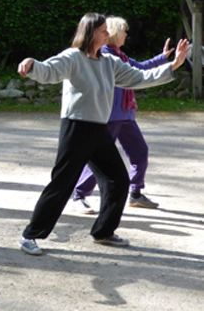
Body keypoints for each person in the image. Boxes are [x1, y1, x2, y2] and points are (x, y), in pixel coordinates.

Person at [16, 13, 189, 256]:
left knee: (117, 179)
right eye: (103, 31)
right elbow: (47, 71)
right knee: (62, 184)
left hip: (99, 129)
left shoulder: (110, 62)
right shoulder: (73, 57)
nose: (107, 35)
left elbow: (138, 77)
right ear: (90, 32)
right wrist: (30, 63)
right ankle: (29, 236)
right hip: (76, 129)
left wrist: (172, 66)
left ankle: (103, 231)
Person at [70, 17, 172, 214]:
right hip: (109, 116)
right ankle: (79, 196)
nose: (126, 34)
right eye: (124, 30)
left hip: (125, 115)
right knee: (98, 157)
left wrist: (163, 58)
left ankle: (135, 193)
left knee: (140, 151)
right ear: (115, 33)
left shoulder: (120, 55)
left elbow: (140, 69)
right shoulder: (105, 56)